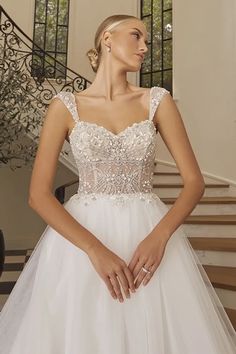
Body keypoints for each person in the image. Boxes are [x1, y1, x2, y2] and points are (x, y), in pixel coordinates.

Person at [0, 13, 235, 354]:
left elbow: (194, 183)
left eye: (146, 41)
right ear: (107, 39)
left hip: (146, 232)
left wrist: (159, 236)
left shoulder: (157, 101)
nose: (144, 47)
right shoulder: (65, 106)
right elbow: (38, 195)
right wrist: (94, 250)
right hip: (80, 241)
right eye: (136, 36)